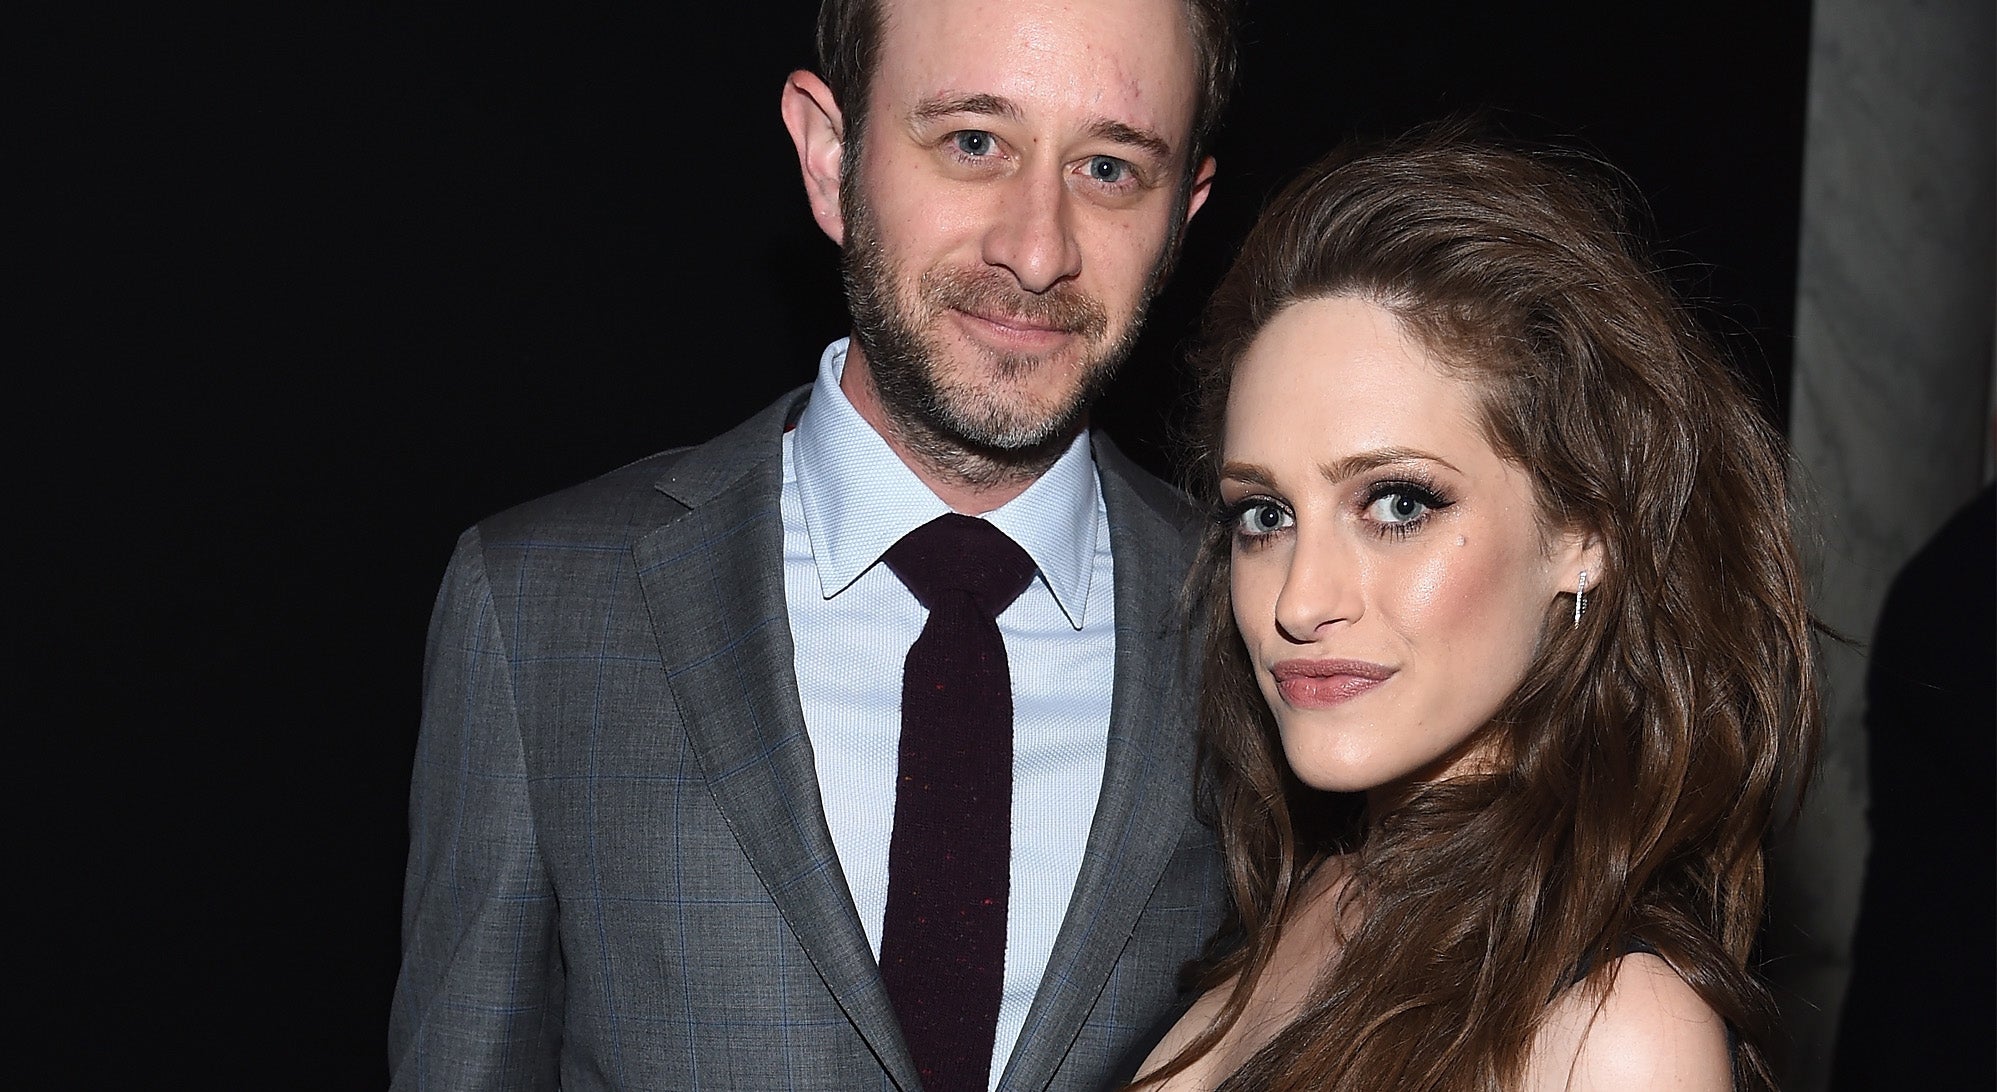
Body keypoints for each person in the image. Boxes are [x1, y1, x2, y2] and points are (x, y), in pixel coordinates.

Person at [387, 0, 1237, 1089]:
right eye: (973, 142)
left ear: (1183, 213)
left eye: (1108, 169)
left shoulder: (1260, 626)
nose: (1035, 251)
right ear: (831, 157)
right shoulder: (538, 608)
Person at [1128, 128, 1821, 1091]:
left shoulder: (1615, 1030)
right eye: (1265, 515)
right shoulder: (1314, 897)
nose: (1299, 599)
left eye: (1397, 504)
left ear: (1584, 532)